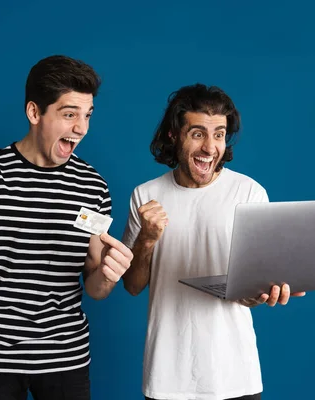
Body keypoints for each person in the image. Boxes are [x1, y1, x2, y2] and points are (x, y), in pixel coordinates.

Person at [0, 55, 133, 400]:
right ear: (34, 113)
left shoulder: (92, 187)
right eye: (69, 114)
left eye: (87, 115)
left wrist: (108, 274)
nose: (82, 128)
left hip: (65, 358)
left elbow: (94, 287)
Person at [121, 83, 305, 400]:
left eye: (218, 134)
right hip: (167, 377)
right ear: (173, 135)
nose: (210, 147)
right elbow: (133, 285)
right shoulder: (145, 195)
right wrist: (147, 240)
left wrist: (267, 291)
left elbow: (252, 291)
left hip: (235, 375)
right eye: (197, 134)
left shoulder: (249, 194)